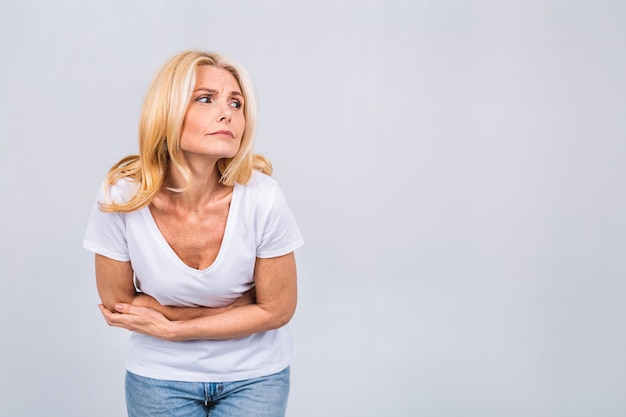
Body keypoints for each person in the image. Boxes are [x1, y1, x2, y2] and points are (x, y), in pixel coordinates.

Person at [83, 50, 304, 417]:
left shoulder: (263, 197)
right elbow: (119, 304)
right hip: (159, 377)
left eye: (236, 103)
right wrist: (238, 310)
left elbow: (278, 310)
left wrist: (174, 328)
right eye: (206, 99)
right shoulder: (121, 197)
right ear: (167, 111)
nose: (227, 113)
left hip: (255, 377)